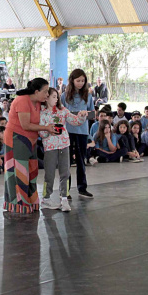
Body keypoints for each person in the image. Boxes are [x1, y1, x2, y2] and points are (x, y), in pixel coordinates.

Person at [3, 78, 57, 215]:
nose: (47, 95)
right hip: (16, 138)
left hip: (31, 140)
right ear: (36, 91)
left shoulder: (38, 103)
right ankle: (19, 203)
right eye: (45, 92)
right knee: (19, 171)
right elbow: (25, 125)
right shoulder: (22, 100)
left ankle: (31, 200)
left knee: (32, 170)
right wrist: (46, 128)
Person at [38, 88, 86, 211]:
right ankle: (46, 198)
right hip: (50, 147)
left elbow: (75, 121)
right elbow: (41, 133)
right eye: (54, 96)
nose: (56, 99)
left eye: (57, 97)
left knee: (65, 173)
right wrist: (48, 130)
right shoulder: (42, 113)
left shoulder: (63, 110)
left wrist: (81, 116)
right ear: (47, 97)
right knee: (49, 174)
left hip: (64, 145)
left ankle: (64, 198)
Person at [63, 69, 96, 199]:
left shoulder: (88, 95)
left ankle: (82, 188)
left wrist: (85, 114)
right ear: (72, 80)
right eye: (78, 81)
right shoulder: (64, 95)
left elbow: (93, 114)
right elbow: (60, 113)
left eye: (83, 81)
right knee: (67, 161)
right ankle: (65, 190)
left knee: (81, 160)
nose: (80, 83)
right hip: (68, 132)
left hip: (82, 132)